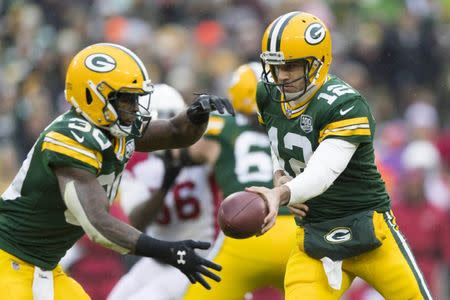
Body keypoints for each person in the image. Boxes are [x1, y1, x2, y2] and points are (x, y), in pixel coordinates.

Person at [0, 43, 234, 300]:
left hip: (43, 264)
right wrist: (169, 251)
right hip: (9, 258)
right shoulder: (71, 140)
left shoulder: (111, 130)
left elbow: (175, 131)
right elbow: (98, 225)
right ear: (93, 96)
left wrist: (197, 115)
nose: (135, 107)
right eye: (126, 98)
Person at [246, 12, 433, 300]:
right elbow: (277, 138)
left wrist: (280, 194)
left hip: (369, 233)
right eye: (275, 65)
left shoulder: (345, 104)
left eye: (291, 66)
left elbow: (322, 174)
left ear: (318, 62)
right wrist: (281, 176)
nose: (281, 75)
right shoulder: (267, 94)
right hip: (314, 241)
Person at [183, 63, 300, 300]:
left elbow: (183, 154)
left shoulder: (222, 128)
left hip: (244, 233)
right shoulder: (294, 129)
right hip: (295, 234)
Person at [108, 84, 221, 300]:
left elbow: (223, 152)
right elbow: (135, 221)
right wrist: (164, 185)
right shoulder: (136, 162)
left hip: (202, 255)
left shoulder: (199, 153)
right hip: (161, 257)